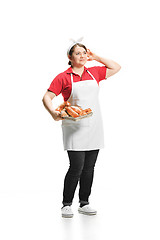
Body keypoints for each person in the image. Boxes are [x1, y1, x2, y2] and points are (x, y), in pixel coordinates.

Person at [42, 39, 121, 218]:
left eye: (85, 53)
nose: (83, 56)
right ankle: (66, 204)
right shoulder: (63, 76)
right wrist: (54, 113)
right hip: (73, 126)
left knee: (89, 168)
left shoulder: (94, 73)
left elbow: (116, 67)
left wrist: (96, 57)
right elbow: (46, 97)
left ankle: (84, 203)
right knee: (76, 167)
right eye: (78, 53)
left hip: (94, 126)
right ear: (69, 57)